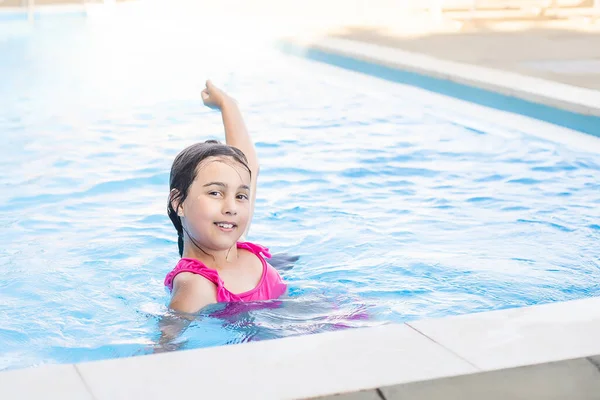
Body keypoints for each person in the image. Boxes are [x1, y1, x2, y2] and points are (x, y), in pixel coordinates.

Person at [163, 80, 287, 315]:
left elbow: (249, 166)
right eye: (215, 193)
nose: (231, 207)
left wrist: (227, 105)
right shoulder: (195, 286)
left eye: (241, 196)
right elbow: (167, 347)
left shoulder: (237, 247)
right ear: (178, 202)